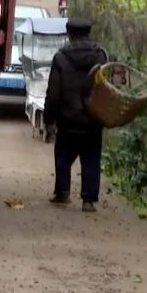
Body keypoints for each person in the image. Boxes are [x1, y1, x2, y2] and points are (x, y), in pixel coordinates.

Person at [43, 18, 108, 213]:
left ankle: (62, 192)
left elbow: (53, 92)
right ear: (88, 33)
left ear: (69, 34)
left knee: (63, 156)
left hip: (67, 118)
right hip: (93, 118)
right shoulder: (101, 56)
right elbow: (108, 87)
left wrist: (49, 120)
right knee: (91, 159)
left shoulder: (61, 58)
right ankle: (88, 200)